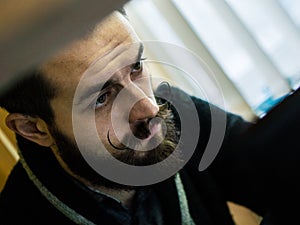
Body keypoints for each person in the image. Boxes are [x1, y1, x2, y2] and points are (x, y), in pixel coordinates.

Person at [0, 10, 298, 225]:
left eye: (136, 68)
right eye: (102, 98)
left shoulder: (177, 116)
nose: (149, 109)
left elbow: (279, 174)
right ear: (33, 128)